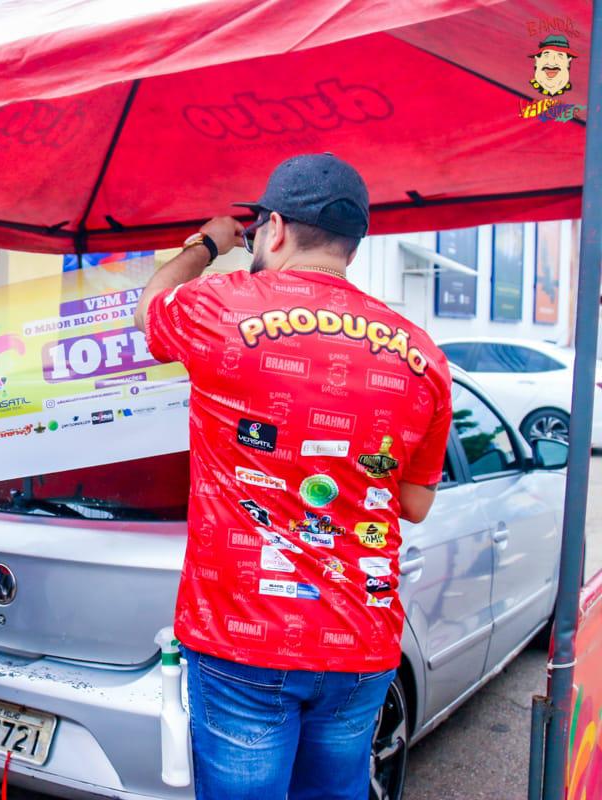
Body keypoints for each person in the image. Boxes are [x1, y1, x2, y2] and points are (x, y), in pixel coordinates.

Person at [134, 153, 453, 800]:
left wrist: (207, 242)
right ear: (352, 246)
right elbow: (415, 504)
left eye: (255, 236)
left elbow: (149, 309)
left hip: (241, 641)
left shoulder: (218, 308)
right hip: (361, 643)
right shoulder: (423, 353)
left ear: (273, 229)